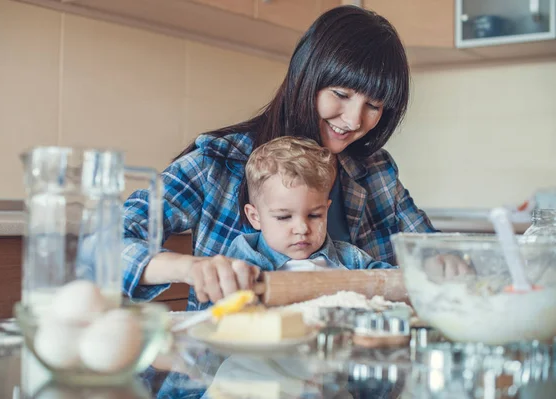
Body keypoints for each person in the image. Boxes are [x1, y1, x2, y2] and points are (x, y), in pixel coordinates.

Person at [122, 5, 437, 311]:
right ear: (305, 78)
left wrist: (447, 264)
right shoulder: (219, 161)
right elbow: (103, 244)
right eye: (341, 94)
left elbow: (432, 255)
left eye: (374, 106)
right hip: (232, 360)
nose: (354, 120)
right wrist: (190, 268)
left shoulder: (375, 171)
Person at [225, 136, 394, 271]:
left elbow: (396, 281)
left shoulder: (350, 258)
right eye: (284, 217)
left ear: (326, 211)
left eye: (314, 215)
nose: (302, 229)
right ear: (255, 217)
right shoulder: (244, 259)